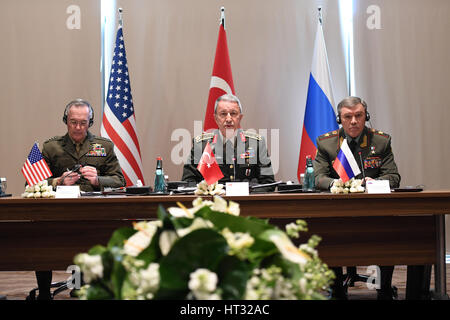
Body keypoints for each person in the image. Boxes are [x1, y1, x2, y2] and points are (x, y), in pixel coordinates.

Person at [33, 99, 126, 300]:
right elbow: (33, 183)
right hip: (57, 214)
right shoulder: (52, 147)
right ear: (66, 121)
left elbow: (119, 181)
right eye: (73, 122)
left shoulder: (104, 146)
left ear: (90, 123)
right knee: (41, 239)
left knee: (89, 238)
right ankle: (43, 292)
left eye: (83, 123)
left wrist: (97, 180)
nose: (77, 127)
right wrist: (58, 181)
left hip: (92, 213)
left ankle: (81, 286)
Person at [313, 96, 400, 300]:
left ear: (365, 116)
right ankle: (336, 288)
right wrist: (336, 184)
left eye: (358, 116)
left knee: (389, 234)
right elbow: (318, 178)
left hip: (375, 211)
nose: (353, 121)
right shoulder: (327, 143)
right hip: (337, 211)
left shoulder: (380, 141)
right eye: (348, 117)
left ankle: (384, 288)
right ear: (340, 119)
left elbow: (394, 177)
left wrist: (374, 182)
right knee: (327, 233)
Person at [182, 94, 275, 191]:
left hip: (247, 203)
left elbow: (268, 183)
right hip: (213, 203)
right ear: (216, 118)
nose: (229, 119)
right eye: (223, 114)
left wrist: (247, 195)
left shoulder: (256, 144)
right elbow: (188, 182)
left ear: (240, 117)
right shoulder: (201, 145)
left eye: (233, 113)